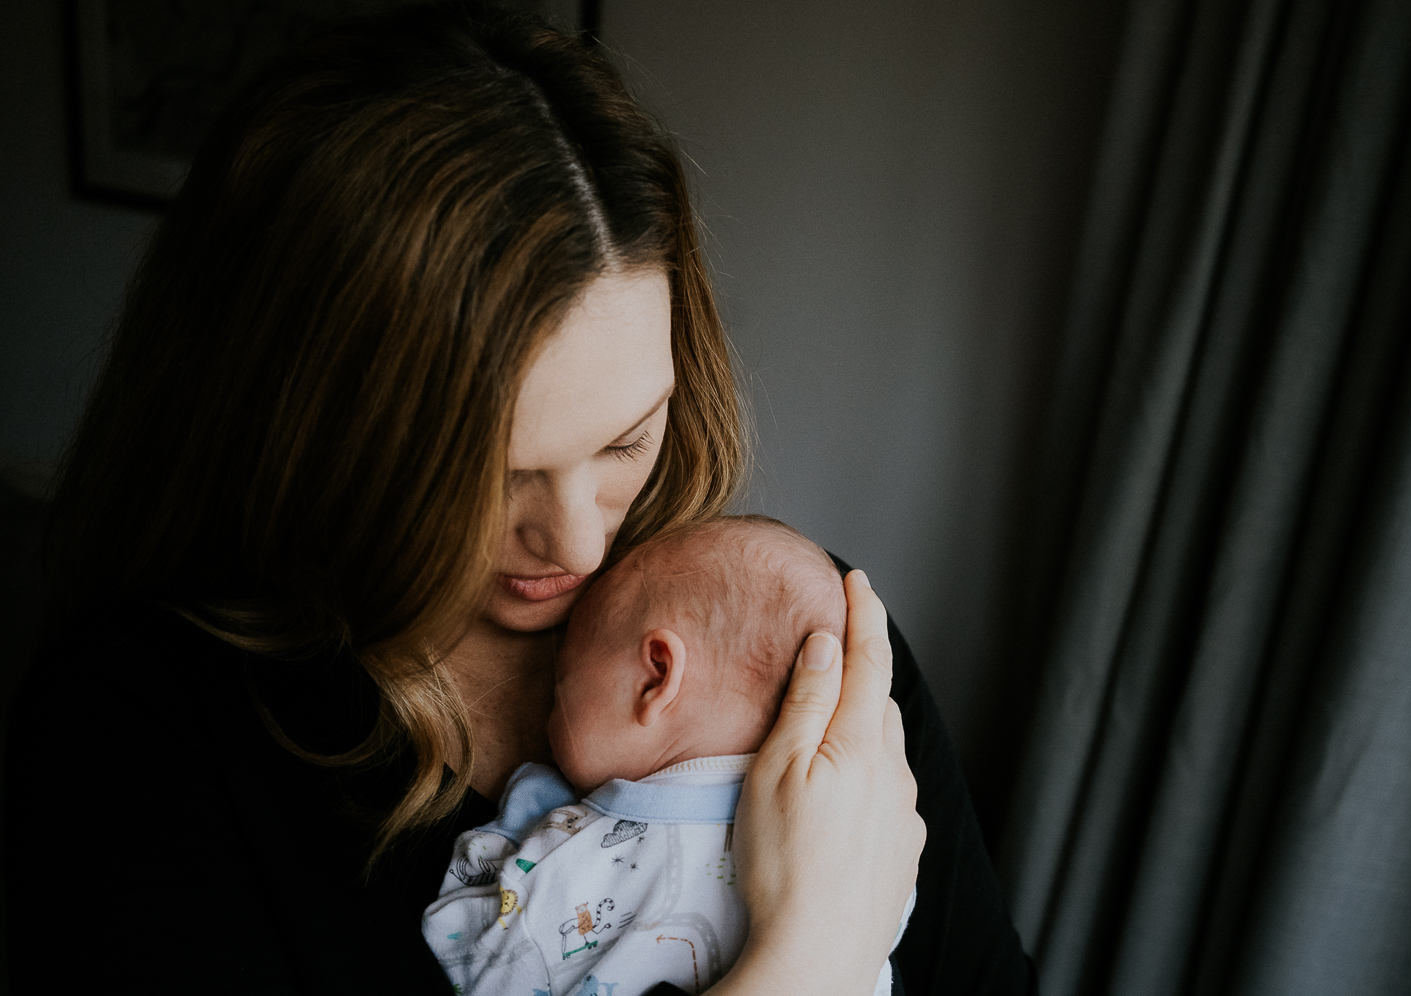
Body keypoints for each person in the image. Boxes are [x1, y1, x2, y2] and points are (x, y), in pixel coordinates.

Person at [2, 4, 1034, 994]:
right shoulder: (141, 736)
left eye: (626, 440)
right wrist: (807, 959)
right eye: (489, 479)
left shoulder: (801, 651)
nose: (580, 542)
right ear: (308, 430)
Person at [424, 515, 913, 996]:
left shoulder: (591, 859)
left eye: (562, 682)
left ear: (655, 677)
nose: (574, 545)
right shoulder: (870, 825)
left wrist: (510, 836)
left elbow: (471, 958)